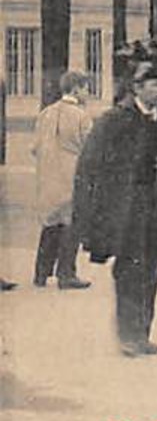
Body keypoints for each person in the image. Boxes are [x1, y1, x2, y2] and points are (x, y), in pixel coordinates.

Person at [72, 61, 157, 357]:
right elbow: (90, 168)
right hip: (126, 210)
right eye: (156, 85)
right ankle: (128, 333)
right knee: (129, 269)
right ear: (137, 87)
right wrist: (92, 214)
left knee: (153, 269)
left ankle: (142, 332)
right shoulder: (114, 121)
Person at [33, 70, 94, 290]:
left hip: (48, 176)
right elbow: (90, 149)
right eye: (86, 88)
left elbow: (35, 147)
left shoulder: (45, 113)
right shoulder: (81, 116)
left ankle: (41, 273)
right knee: (71, 224)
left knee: (50, 223)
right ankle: (66, 273)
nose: (87, 92)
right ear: (76, 89)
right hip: (72, 176)